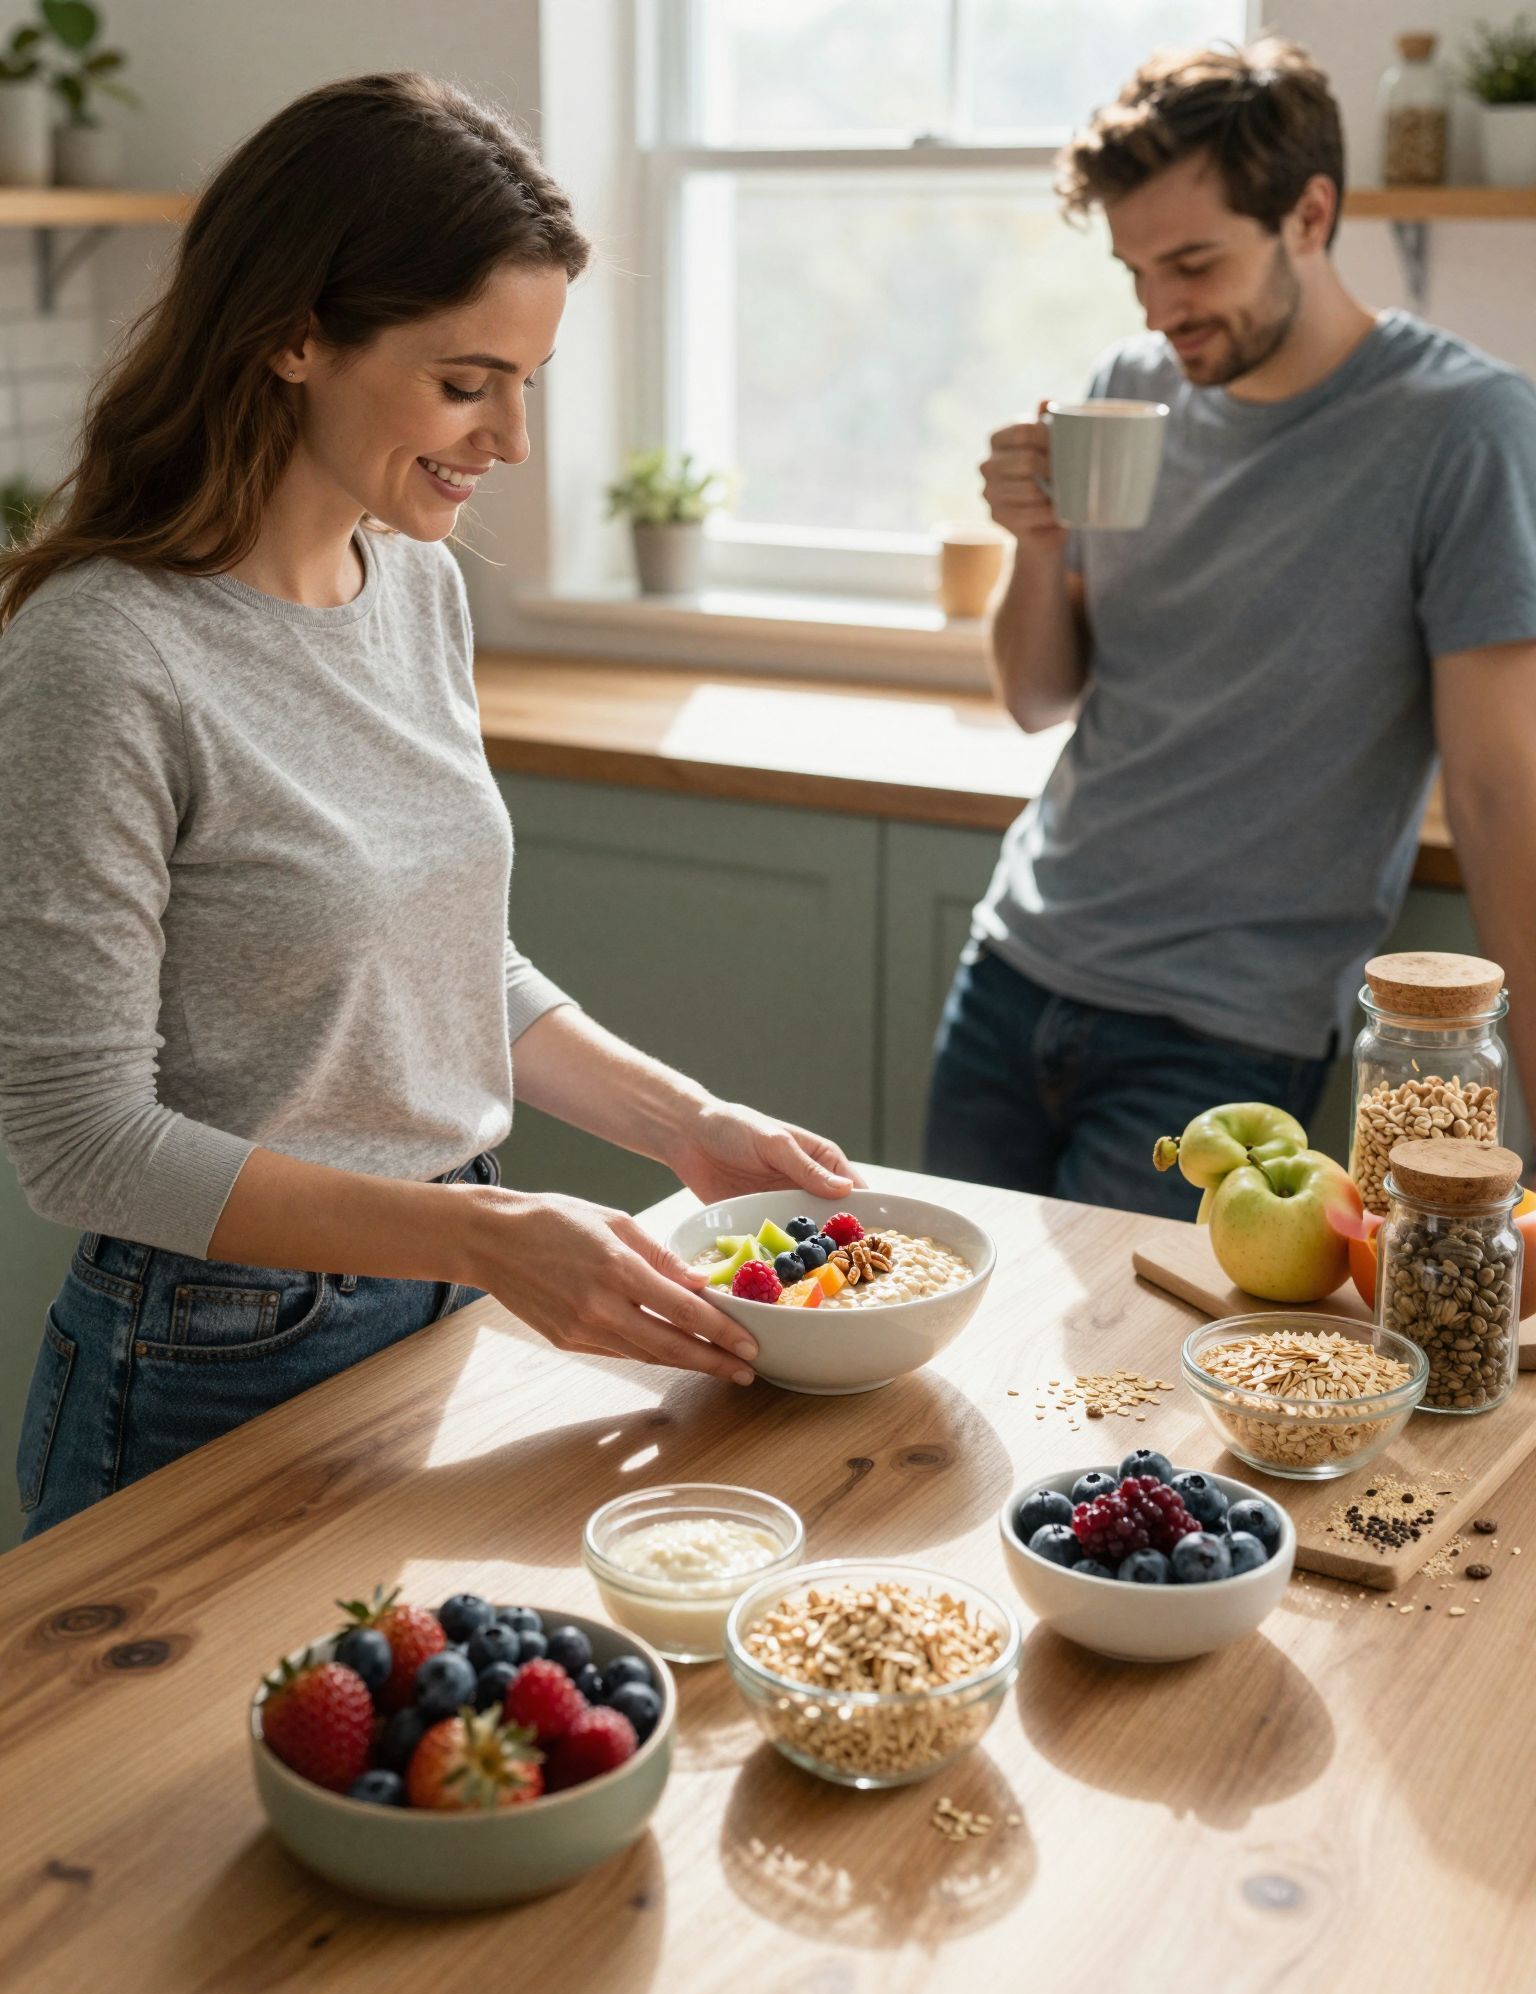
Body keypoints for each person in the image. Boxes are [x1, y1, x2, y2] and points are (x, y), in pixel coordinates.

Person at [0, 74, 858, 1540]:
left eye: (528, 381)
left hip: (435, 1294)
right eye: (467, 382)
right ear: (291, 334)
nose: (512, 439)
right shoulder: (101, 654)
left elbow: (446, 958)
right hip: (207, 1353)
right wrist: (485, 1234)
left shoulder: (415, 582)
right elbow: (77, 1137)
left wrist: (688, 1125)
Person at [924, 38, 1536, 1220]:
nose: (1161, 311)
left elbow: (1504, 791)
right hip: (1014, 970)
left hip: (1224, 1035)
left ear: (1310, 214)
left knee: (1125, 1394)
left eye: (1193, 262)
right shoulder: (1133, 384)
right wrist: (1037, 545)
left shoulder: (1465, 429)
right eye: (1135, 270)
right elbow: (1038, 696)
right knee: (951, 1367)